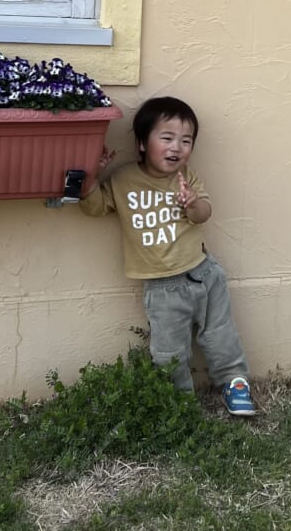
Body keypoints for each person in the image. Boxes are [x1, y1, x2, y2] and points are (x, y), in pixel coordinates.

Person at [80, 95, 256, 416]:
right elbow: (93, 206)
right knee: (169, 352)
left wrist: (191, 203)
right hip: (162, 288)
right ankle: (179, 403)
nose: (177, 147)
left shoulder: (186, 178)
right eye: (167, 138)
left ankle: (235, 381)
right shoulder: (123, 180)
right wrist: (92, 173)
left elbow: (204, 213)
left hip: (204, 273)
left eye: (186, 140)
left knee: (220, 334)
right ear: (142, 143)